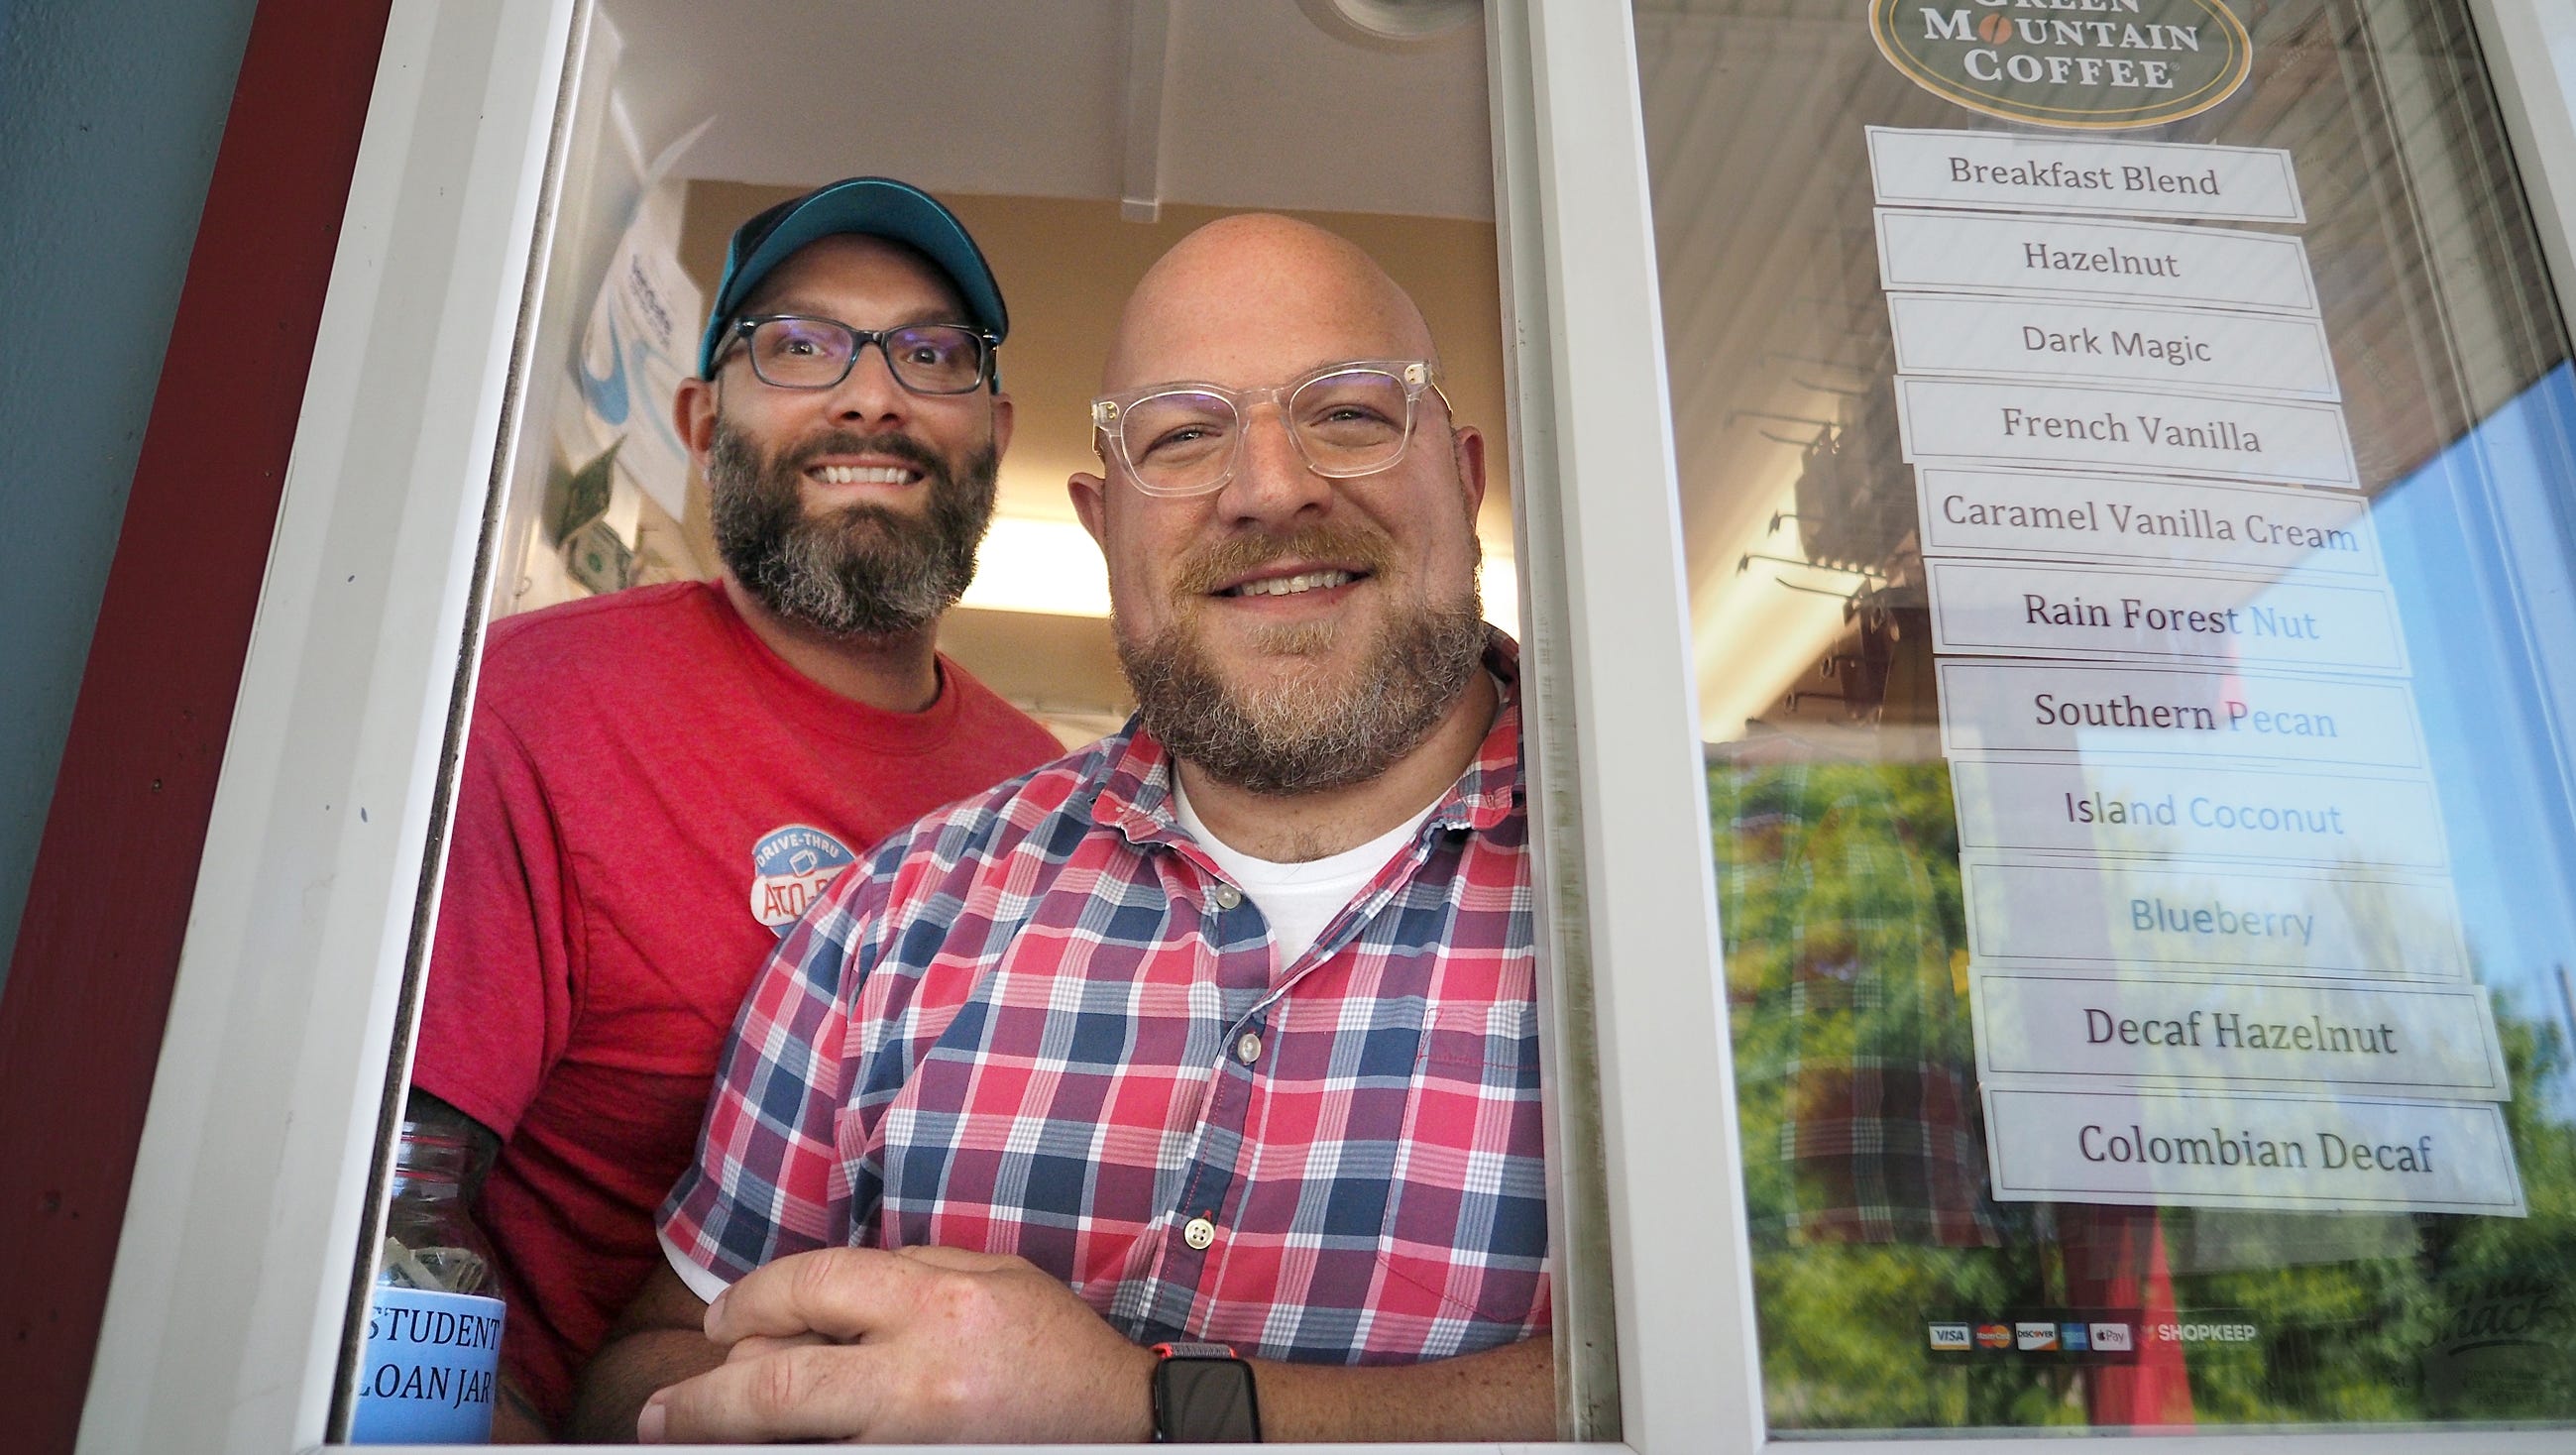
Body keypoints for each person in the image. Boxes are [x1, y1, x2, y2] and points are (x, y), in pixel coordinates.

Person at [574, 214, 1553, 1444]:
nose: (1270, 487)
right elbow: (656, 1362)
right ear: (1103, 525)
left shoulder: (1709, 896)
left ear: (1462, 477)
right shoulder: (887, 923)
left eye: (1350, 412)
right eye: (1183, 436)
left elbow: (1763, 1389)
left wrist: (1144, 1410)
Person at [407, 177, 1065, 1438]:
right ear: (704, 424)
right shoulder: (530, 711)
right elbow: (394, 1210)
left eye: (931, 354)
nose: (871, 395)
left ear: (992, 431)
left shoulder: (1049, 804)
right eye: (799, 346)